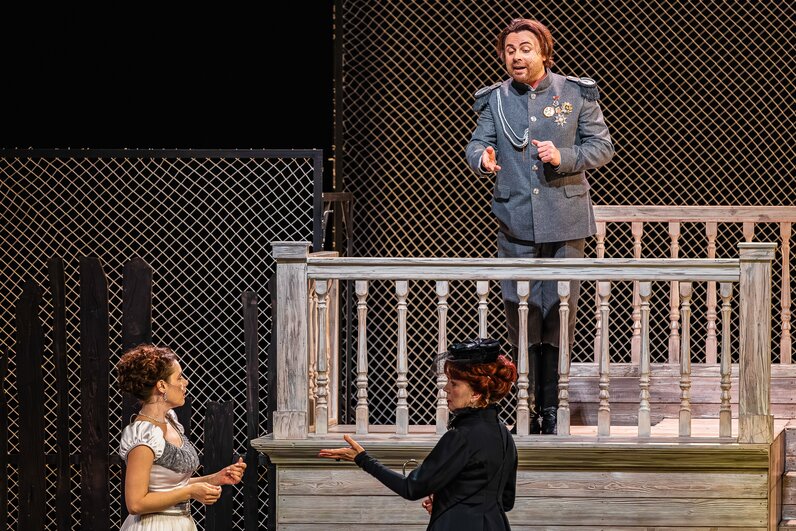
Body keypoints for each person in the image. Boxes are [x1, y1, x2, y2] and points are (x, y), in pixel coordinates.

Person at [465, 18, 614, 434]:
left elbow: (602, 146)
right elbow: (477, 143)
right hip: (515, 224)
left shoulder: (576, 93)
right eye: (510, 50)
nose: (517, 56)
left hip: (565, 222)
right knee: (522, 317)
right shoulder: (495, 99)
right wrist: (482, 158)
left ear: (544, 53)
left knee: (558, 316)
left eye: (525, 48)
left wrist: (564, 157)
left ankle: (553, 410)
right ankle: (525, 410)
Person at [318, 338, 518, 530]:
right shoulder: (504, 435)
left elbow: (411, 488)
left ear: (476, 393)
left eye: (454, 383)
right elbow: (505, 501)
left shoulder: (461, 437)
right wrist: (446, 502)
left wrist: (363, 459)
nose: (446, 388)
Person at [115, 344, 247, 530]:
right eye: (179, 377)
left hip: (179, 522)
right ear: (162, 385)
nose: (185, 382)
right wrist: (190, 492)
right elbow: (136, 503)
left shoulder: (171, 421)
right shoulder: (143, 434)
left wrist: (215, 478)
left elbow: (170, 486)